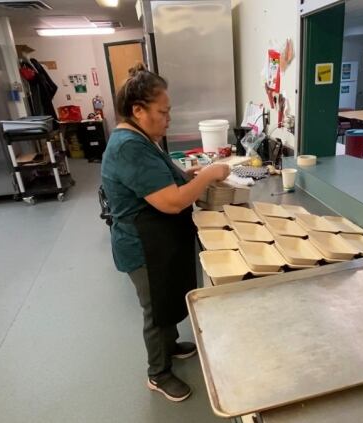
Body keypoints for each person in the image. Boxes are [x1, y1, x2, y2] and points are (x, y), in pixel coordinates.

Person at [101, 63, 230, 402]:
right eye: (163, 111)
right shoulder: (128, 146)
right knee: (156, 308)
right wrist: (206, 177)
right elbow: (171, 202)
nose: (168, 117)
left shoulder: (144, 138)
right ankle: (157, 373)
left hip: (160, 238)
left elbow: (167, 179)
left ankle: (170, 347)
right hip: (142, 244)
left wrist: (194, 174)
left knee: (169, 293)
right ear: (138, 110)